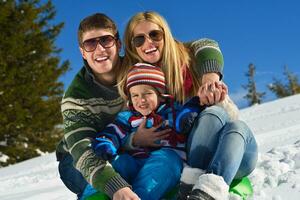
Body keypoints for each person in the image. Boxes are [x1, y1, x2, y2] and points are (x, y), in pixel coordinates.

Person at [119, 11, 258, 200]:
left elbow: (207, 44)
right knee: (216, 117)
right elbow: (125, 125)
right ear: (132, 46)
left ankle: (203, 186)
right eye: (139, 39)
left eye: (154, 35)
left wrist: (210, 80)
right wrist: (134, 140)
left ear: (165, 35)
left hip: (230, 149)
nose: (148, 43)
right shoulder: (139, 85)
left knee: (231, 122)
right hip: (191, 155)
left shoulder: (189, 60)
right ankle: (201, 190)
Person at [55, 13, 144, 200]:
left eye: (106, 40)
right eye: (90, 44)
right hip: (75, 159)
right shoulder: (76, 95)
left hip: (124, 147)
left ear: (118, 44)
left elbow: (194, 48)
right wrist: (116, 187)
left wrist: (210, 74)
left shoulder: (139, 70)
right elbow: (81, 149)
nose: (100, 49)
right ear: (82, 52)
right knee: (119, 170)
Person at [92, 62, 203, 200]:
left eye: (147, 93)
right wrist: (106, 144)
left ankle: (140, 197)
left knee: (166, 159)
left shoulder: (170, 113)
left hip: (165, 167)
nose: (141, 100)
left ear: (161, 95)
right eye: (135, 95)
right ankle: (94, 197)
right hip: (135, 164)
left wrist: (189, 111)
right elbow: (112, 133)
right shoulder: (127, 118)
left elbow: (183, 119)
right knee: (120, 162)